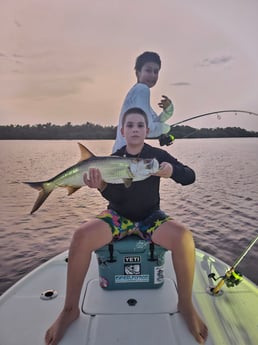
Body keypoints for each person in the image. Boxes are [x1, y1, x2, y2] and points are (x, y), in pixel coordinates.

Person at [45, 107, 208, 345]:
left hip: (150, 216)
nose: (135, 129)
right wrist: (101, 187)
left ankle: (185, 304)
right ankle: (70, 309)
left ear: (147, 130)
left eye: (140, 125)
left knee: (183, 237)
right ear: (122, 130)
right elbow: (119, 199)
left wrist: (173, 172)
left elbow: (190, 176)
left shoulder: (156, 156)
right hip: (118, 215)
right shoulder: (116, 158)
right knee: (81, 236)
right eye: (129, 125)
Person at [112, 51, 174, 153]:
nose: (152, 75)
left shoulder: (137, 92)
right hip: (125, 155)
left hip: (123, 152)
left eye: (156, 71)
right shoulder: (142, 90)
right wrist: (166, 129)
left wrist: (168, 110)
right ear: (138, 73)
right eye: (148, 70)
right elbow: (148, 128)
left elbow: (155, 122)